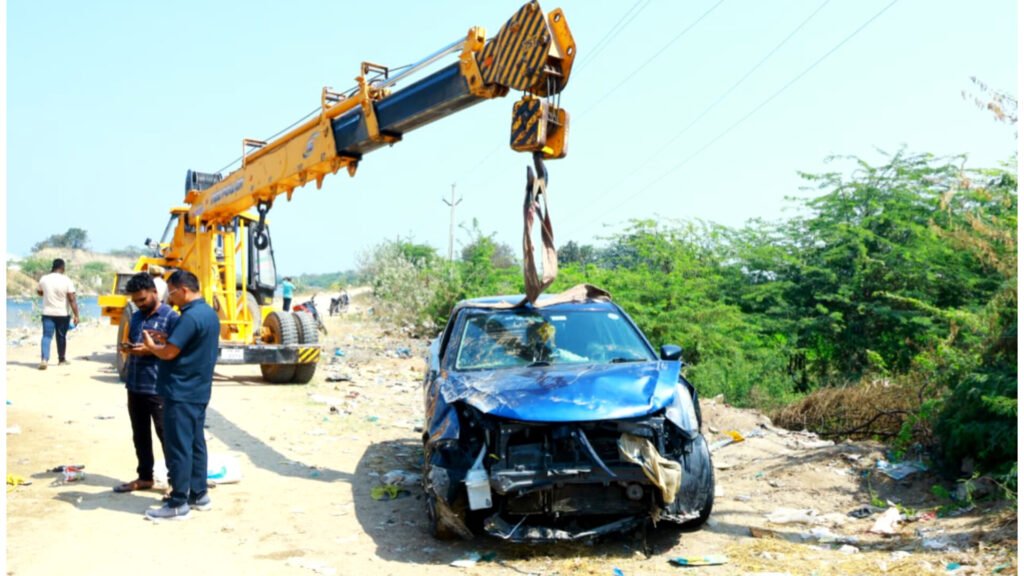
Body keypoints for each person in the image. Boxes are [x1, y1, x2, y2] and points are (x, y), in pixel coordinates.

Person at [141, 270, 220, 521]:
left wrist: (152, 347)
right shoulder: (207, 313)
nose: (171, 299)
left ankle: (178, 503)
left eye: (172, 293)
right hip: (198, 389)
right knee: (196, 443)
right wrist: (166, 338)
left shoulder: (189, 317)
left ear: (184, 290)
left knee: (179, 446)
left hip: (181, 391)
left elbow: (169, 353)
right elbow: (187, 343)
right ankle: (198, 494)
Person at [114, 273, 179, 494]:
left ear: (154, 292)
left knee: (166, 436)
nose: (139, 304)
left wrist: (150, 350)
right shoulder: (137, 316)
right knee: (140, 434)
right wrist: (130, 348)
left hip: (158, 387)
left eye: (142, 300)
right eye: (135, 301)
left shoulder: (171, 317)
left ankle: (175, 481)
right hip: (135, 385)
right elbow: (137, 343)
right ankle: (144, 477)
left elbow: (174, 351)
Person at [36, 258, 79, 369]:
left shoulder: (44, 279)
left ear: (53, 267)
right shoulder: (66, 280)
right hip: (62, 314)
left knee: (46, 336)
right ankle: (61, 360)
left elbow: (39, 292)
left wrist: (48, 293)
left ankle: (44, 359)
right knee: (61, 337)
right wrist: (76, 315)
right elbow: (72, 299)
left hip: (47, 313)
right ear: (63, 268)